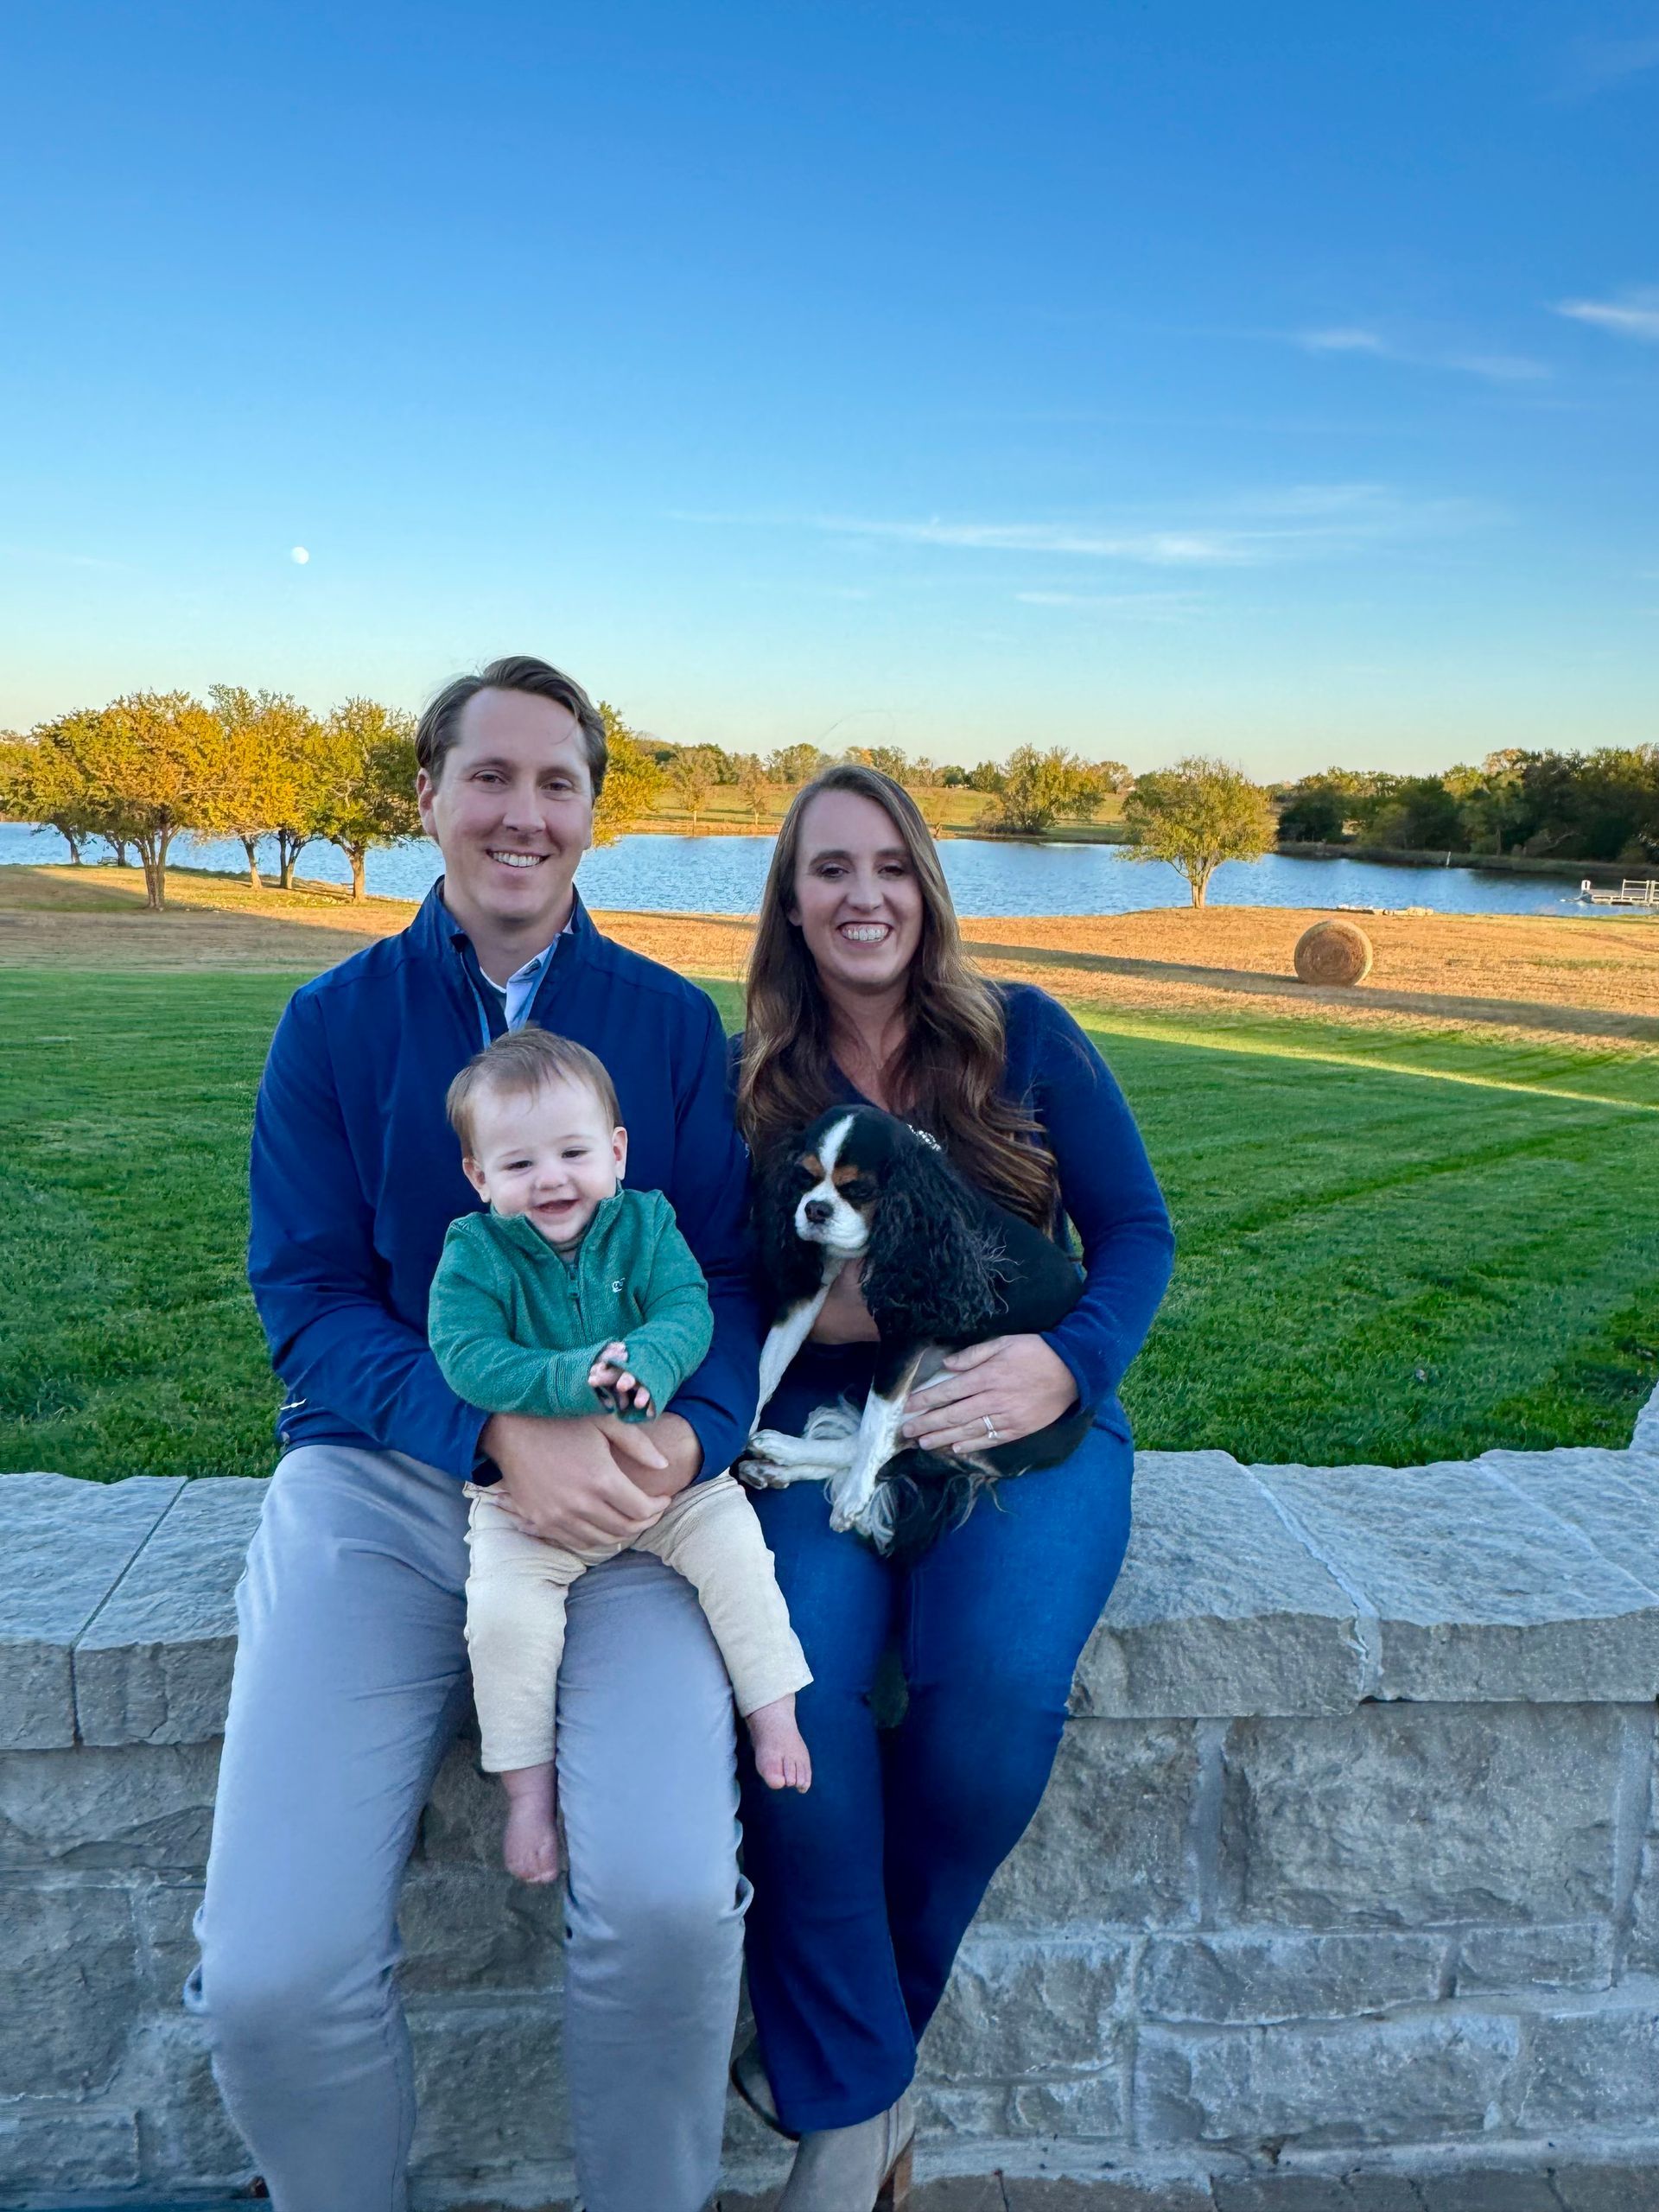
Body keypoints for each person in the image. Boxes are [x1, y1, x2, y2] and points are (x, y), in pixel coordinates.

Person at [186, 657, 761, 2212]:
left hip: (627, 1502)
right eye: (489, 777)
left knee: (669, 1909)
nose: (523, 812)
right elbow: (304, 1296)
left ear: (592, 815)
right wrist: (492, 1433)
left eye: (557, 782)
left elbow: (726, 1272)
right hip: (381, 1480)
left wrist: (689, 1443)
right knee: (270, 1976)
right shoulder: (332, 1026)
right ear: (426, 799)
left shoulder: (664, 1026)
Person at [730, 764, 1174, 2211]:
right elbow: (728, 1283)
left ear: (928, 886)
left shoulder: (1024, 1037)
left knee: (989, 1707)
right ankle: (863, 2102)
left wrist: (1071, 1365)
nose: (865, 898)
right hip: (817, 1430)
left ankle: (861, 2050)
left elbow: (1137, 1231)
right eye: (829, 871)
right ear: (789, 904)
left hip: (1021, 1420)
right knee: (794, 1694)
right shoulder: (754, 1082)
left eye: (892, 868)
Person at [429, 1024, 811, 1886]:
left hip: (659, 1473)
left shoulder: (648, 1224)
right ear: (478, 1177)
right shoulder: (473, 1253)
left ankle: (774, 1712)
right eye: (519, 1165)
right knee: (502, 1617)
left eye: (573, 1152)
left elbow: (687, 1310)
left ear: (617, 1150)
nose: (552, 1179)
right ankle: (528, 1791)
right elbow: (466, 1355)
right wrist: (570, 1378)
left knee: (741, 1555)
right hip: (524, 1498)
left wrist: (646, 1362)